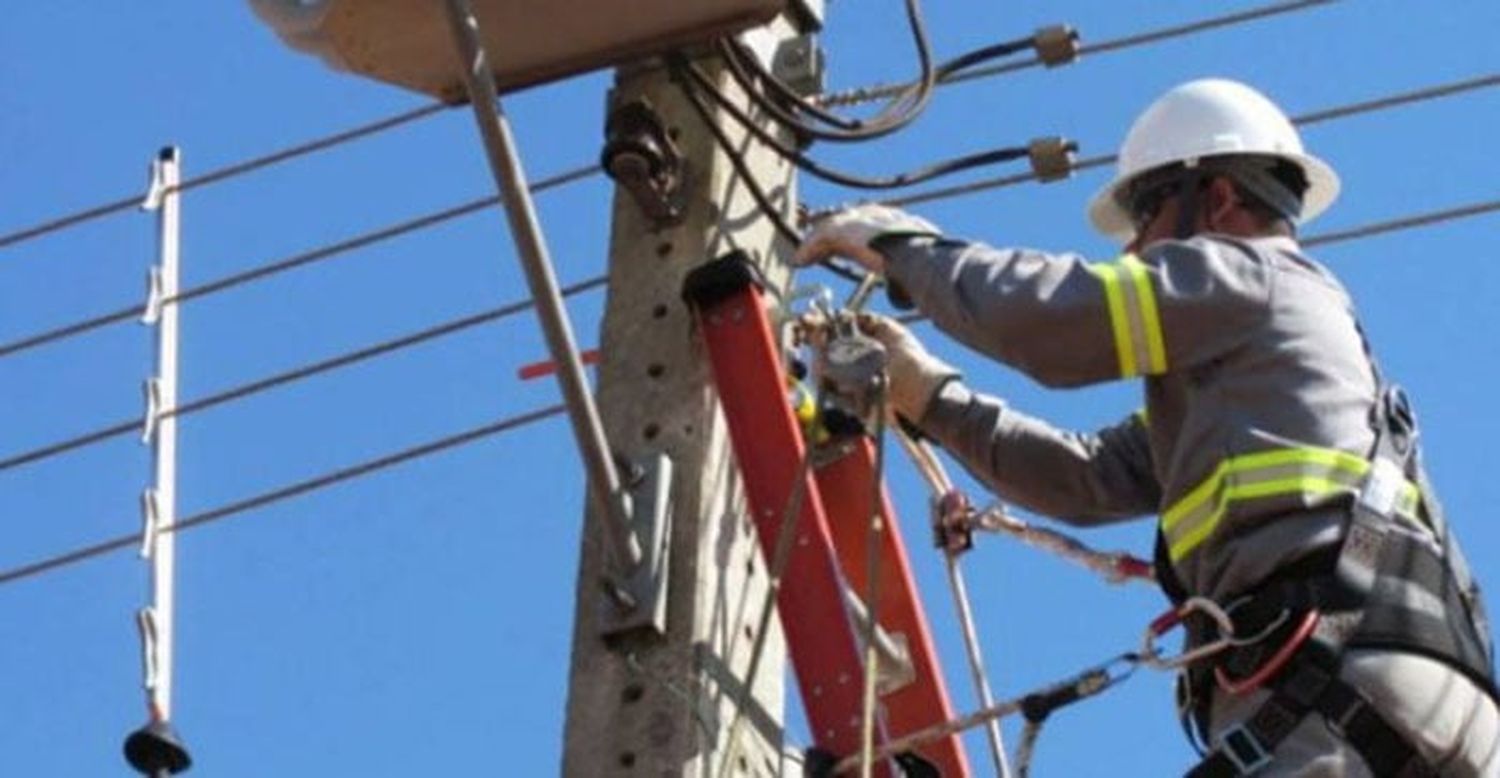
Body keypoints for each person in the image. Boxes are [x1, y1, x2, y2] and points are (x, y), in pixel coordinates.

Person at [795, 79, 1499, 776]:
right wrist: (933, 398)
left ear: (1217, 197)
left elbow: (1052, 319)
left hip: (1332, 679)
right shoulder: (1251, 387)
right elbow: (1085, 476)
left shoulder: (1251, 276)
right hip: (1411, 693)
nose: (1134, 250)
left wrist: (906, 250)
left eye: (1145, 216)